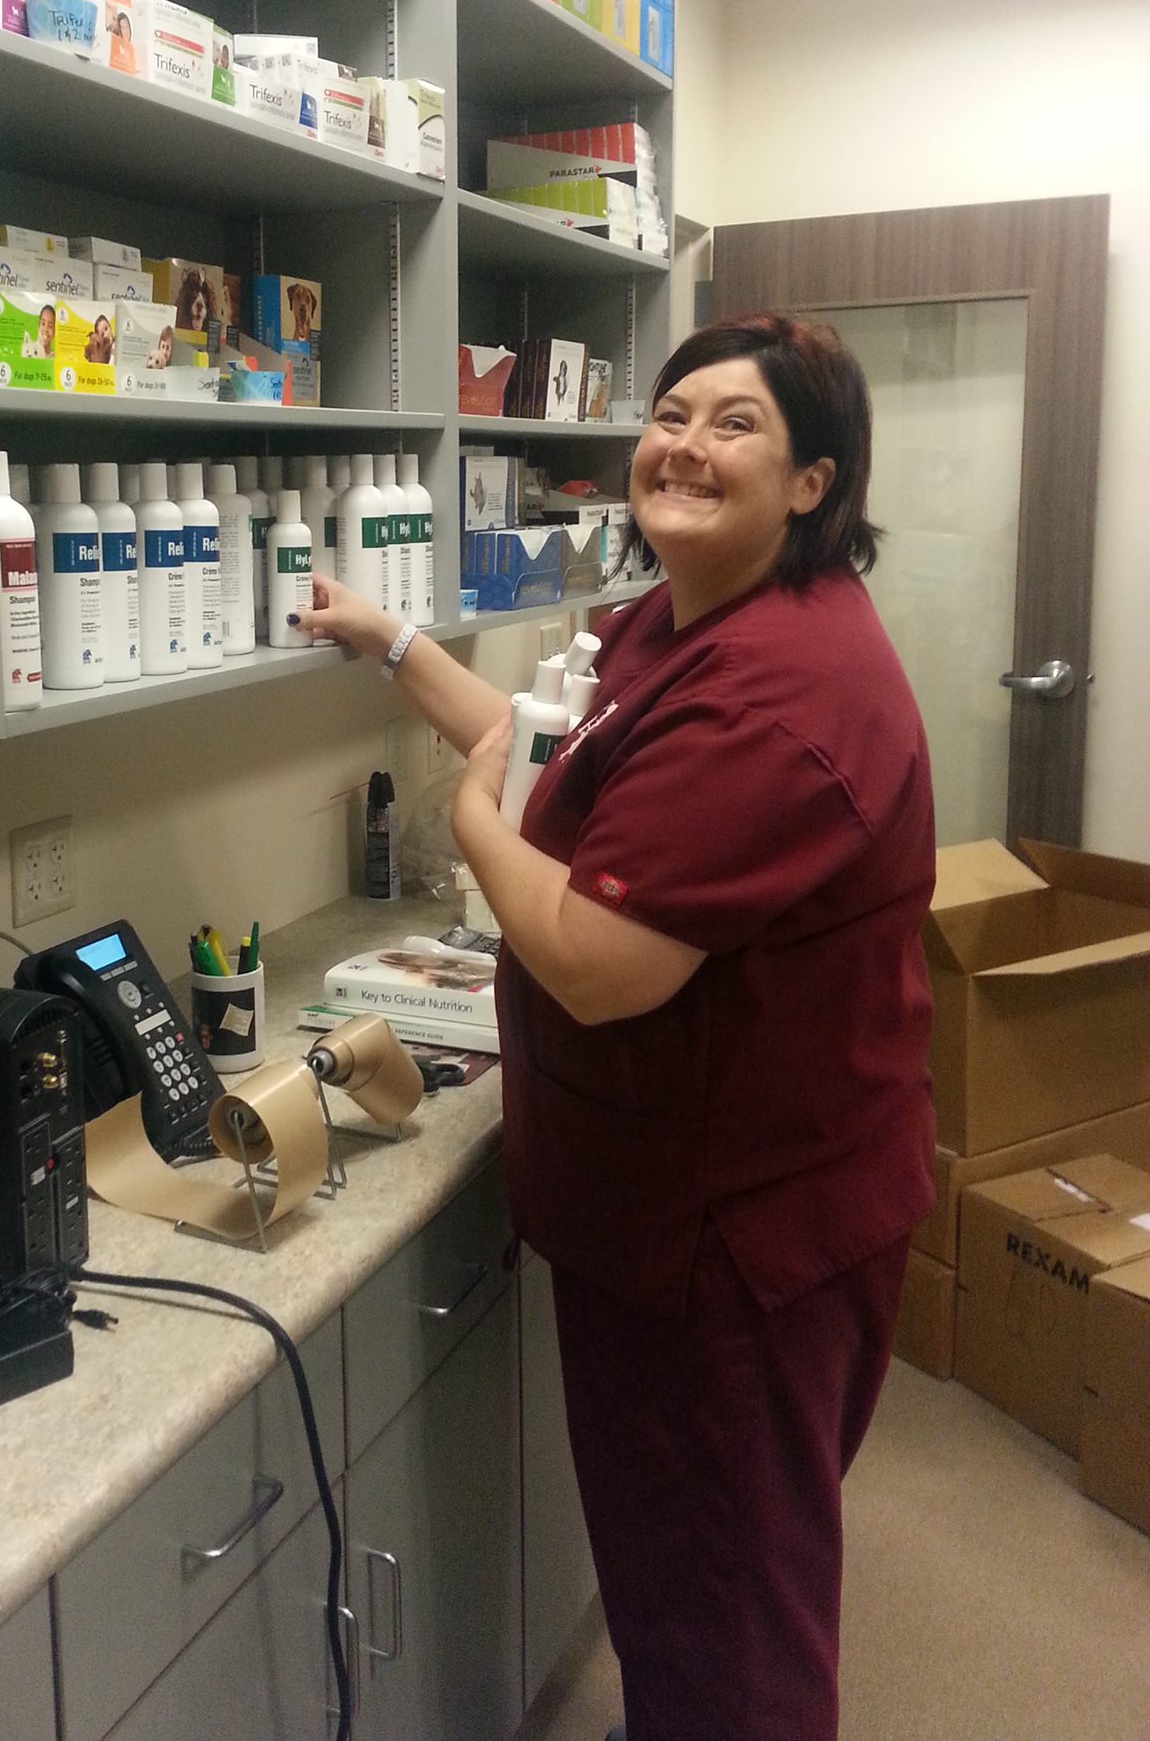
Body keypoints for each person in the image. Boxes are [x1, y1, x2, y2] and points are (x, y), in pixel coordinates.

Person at [293, 313, 935, 1741]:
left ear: (815, 482)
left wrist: (473, 829)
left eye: (735, 425)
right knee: (684, 1594)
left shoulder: (785, 695)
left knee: (726, 1634)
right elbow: (534, 746)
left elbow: (594, 961)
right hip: (682, 1208)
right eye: (669, 411)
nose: (684, 445)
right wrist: (388, 636)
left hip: (736, 1249)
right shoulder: (681, 619)